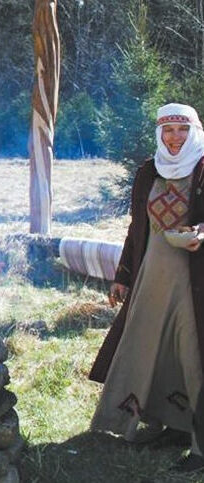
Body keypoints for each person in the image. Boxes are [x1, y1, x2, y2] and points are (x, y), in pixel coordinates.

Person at [90, 103, 204, 472]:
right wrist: (123, 275)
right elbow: (135, 228)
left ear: (195, 131)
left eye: (182, 130)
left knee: (193, 353)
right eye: (168, 131)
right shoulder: (148, 172)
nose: (174, 138)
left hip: (194, 281)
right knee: (150, 349)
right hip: (151, 278)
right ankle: (170, 423)